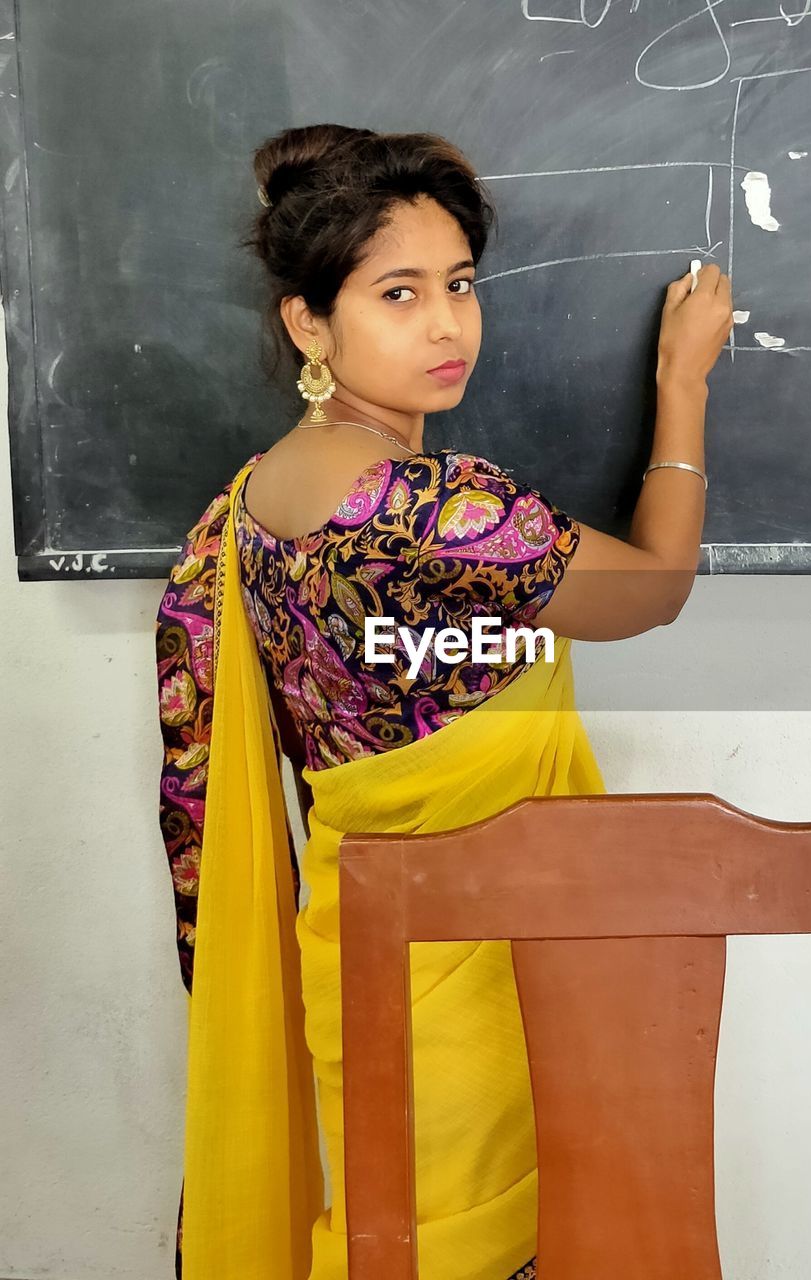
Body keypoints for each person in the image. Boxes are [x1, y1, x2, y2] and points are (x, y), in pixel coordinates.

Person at [154, 124, 733, 1280]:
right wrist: (683, 382)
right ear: (308, 324)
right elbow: (655, 588)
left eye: (460, 285)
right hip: (475, 994)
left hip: (358, 968)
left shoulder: (247, 505)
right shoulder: (421, 507)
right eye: (398, 292)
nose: (445, 324)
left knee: (386, 1236)